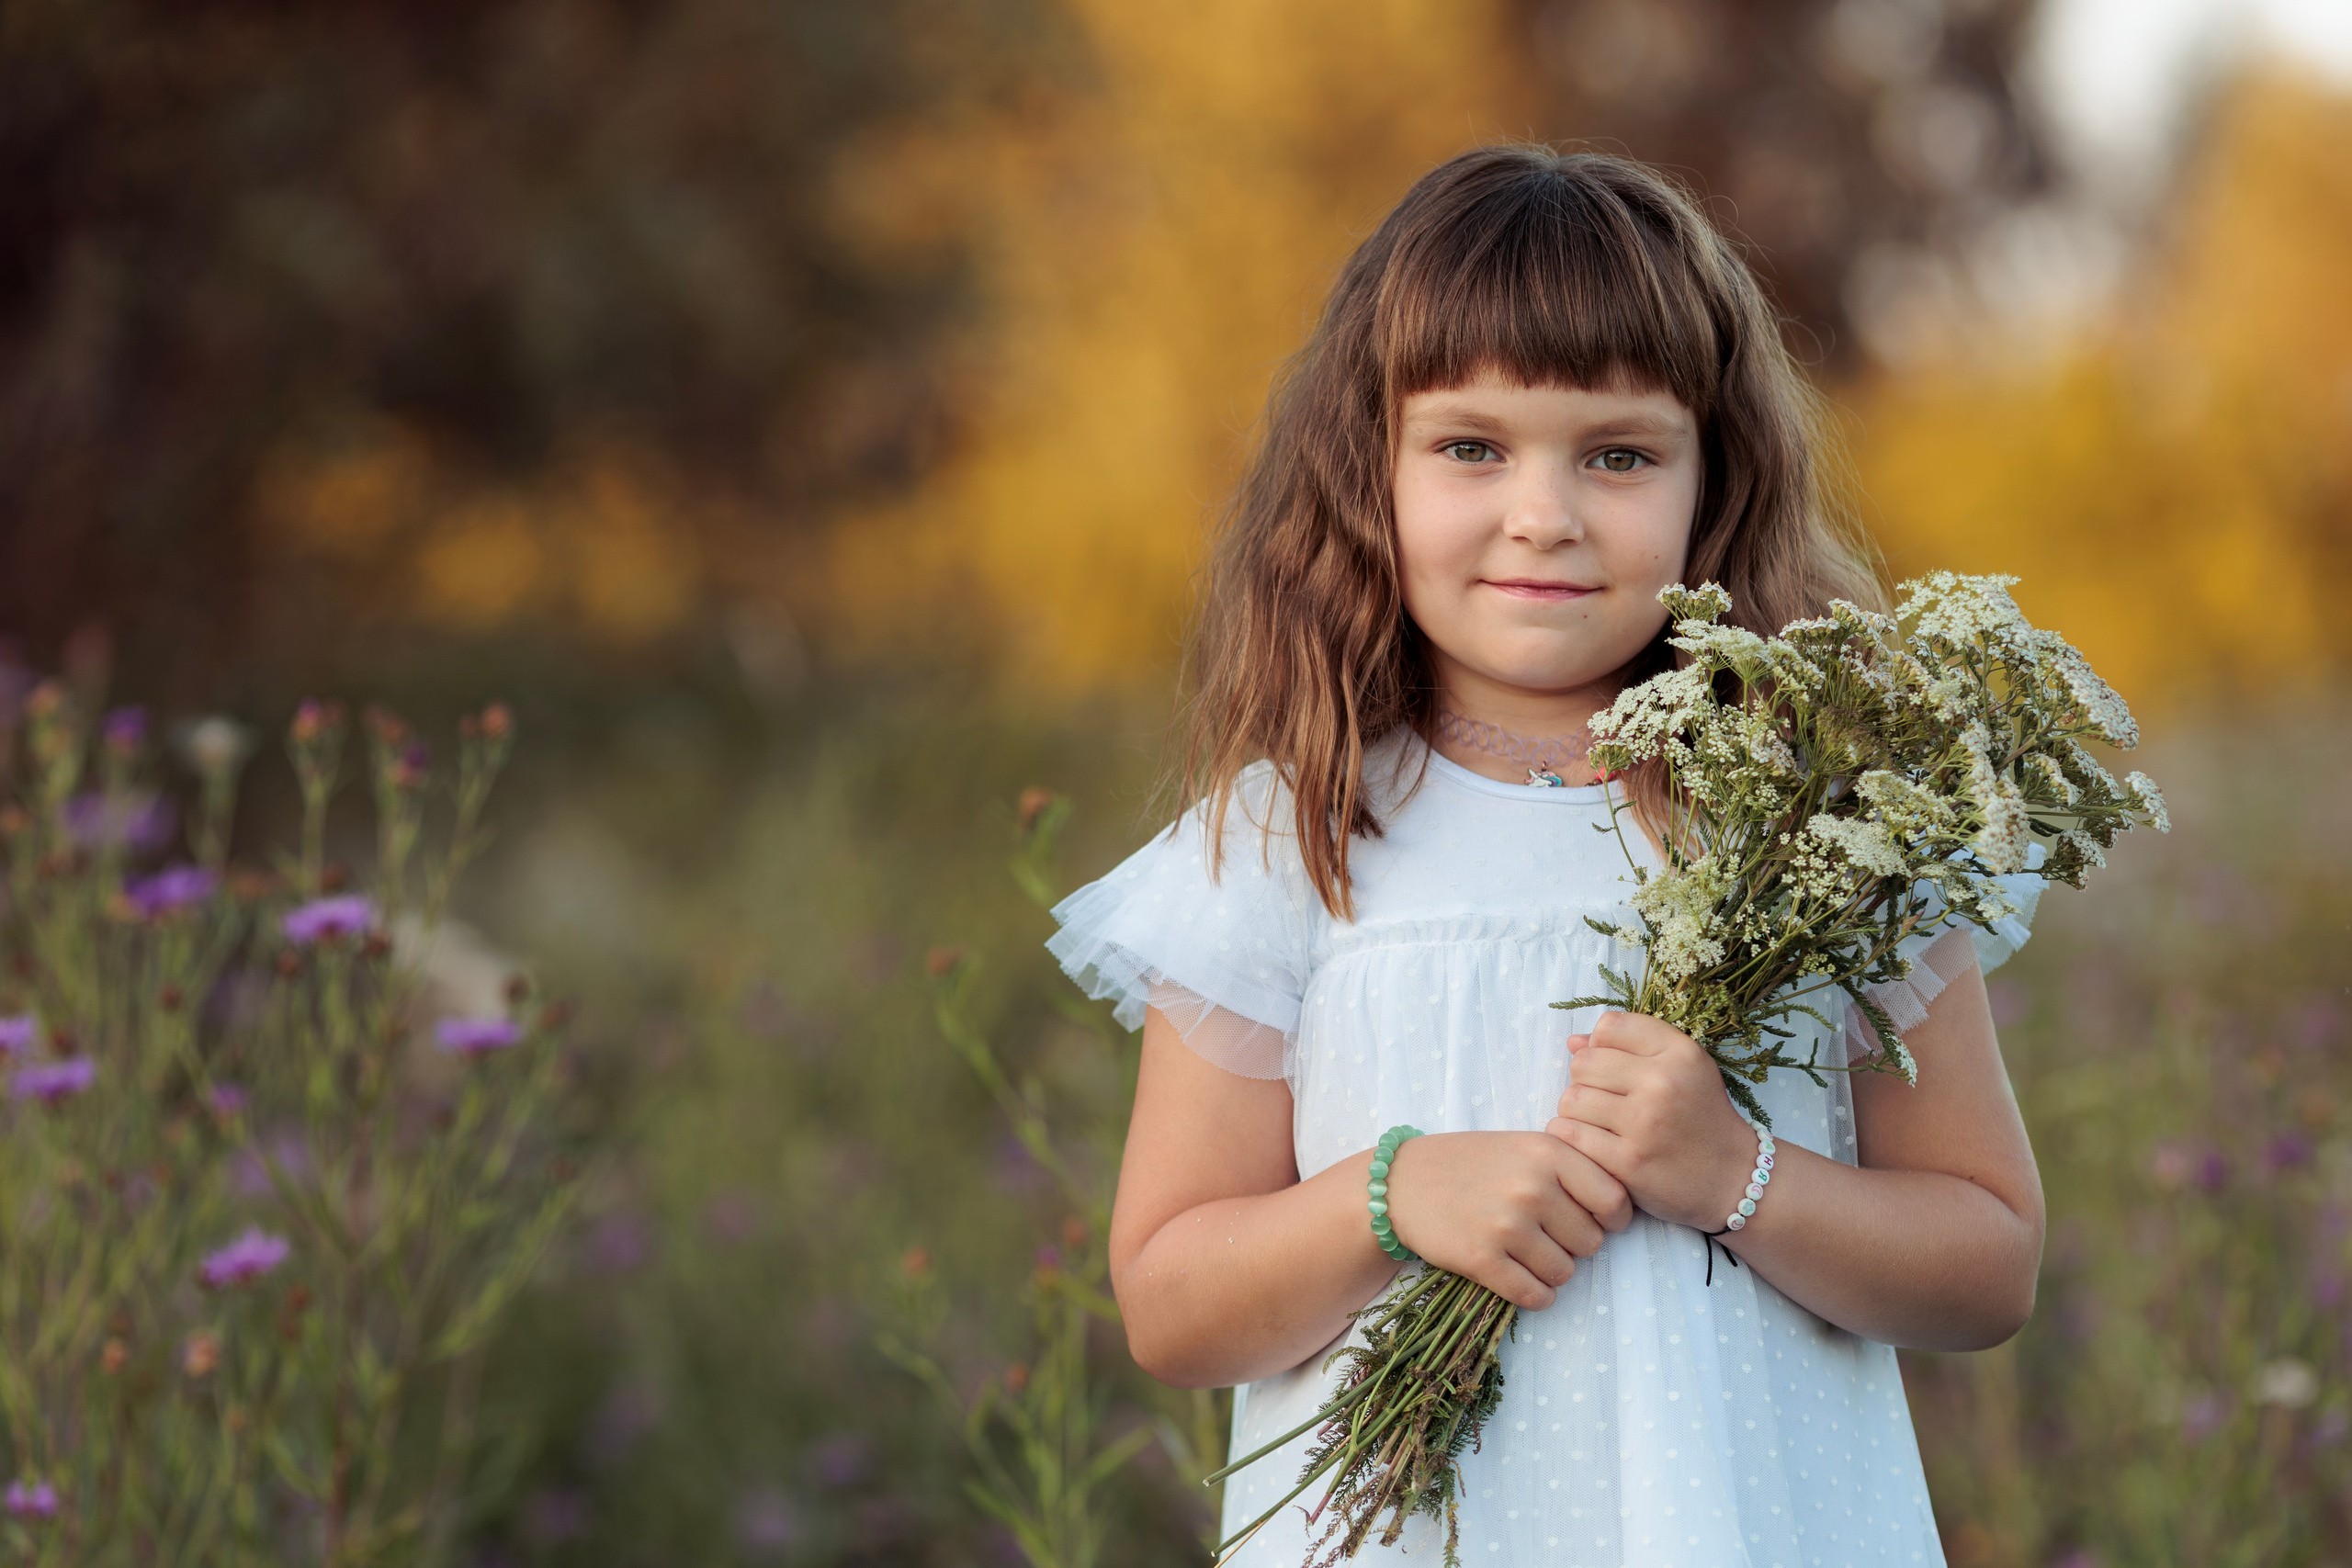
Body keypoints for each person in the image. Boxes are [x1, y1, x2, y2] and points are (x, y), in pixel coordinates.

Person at [1046, 146, 2046, 1564]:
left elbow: (1988, 1262)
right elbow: (1171, 1301)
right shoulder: (1294, 832)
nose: (1544, 515)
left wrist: (1736, 1177)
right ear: (1368, 469)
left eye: (1620, 455)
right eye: (1471, 447)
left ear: (1718, 480)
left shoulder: (1824, 816)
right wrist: (1389, 1199)